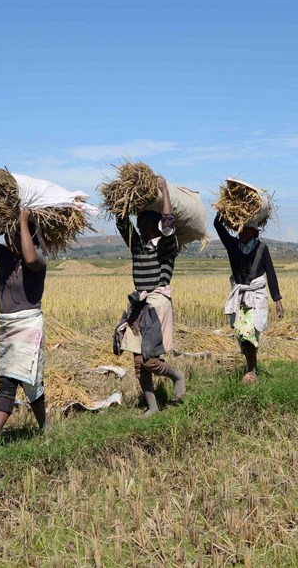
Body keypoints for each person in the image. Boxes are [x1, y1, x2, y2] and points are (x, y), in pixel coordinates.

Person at [0, 207, 47, 445]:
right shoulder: (6, 256)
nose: (7, 238)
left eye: (13, 234)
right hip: (7, 326)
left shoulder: (38, 260)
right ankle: (43, 428)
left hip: (27, 326)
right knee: (18, 380)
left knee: (20, 381)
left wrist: (24, 220)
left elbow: (31, 256)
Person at [113, 175, 186, 416]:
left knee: (150, 361)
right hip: (138, 305)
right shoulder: (137, 246)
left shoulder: (166, 246)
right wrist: (124, 194)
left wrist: (164, 190)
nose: (142, 229)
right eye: (140, 225)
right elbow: (122, 222)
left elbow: (168, 223)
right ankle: (153, 407)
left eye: (147, 225)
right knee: (138, 364)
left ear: (156, 227)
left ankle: (176, 375)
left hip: (156, 305)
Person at [214, 213, 285, 383]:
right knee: (241, 334)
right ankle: (251, 366)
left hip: (256, 296)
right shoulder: (232, 245)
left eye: (247, 230)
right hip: (240, 296)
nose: (243, 233)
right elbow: (217, 225)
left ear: (255, 233)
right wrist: (225, 210)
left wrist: (278, 301)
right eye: (240, 229)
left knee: (248, 333)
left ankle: (251, 371)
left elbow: (271, 274)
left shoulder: (262, 248)